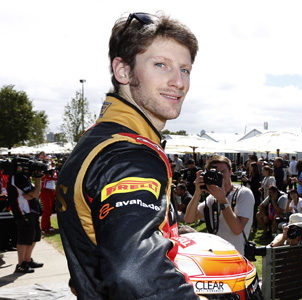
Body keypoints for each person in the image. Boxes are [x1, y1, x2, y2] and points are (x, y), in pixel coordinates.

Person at [56, 12, 199, 298]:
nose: (178, 82)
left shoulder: (98, 139)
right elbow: (133, 275)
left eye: (185, 69)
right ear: (123, 71)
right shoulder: (129, 155)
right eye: (161, 65)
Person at [185, 156, 254, 257]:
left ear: (231, 172)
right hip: (214, 256)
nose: (220, 175)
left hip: (235, 256)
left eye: (223, 172)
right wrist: (197, 192)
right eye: (215, 173)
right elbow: (189, 219)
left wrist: (222, 200)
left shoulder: (243, 193)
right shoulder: (211, 198)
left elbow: (237, 229)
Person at [7, 162, 44, 273]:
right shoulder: (17, 177)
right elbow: (36, 193)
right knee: (24, 238)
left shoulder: (23, 177)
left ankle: (27, 260)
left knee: (34, 236)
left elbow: (35, 193)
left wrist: (33, 193)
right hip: (23, 211)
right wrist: (37, 180)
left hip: (31, 210)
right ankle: (21, 264)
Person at [39, 161, 57, 234]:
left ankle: (48, 226)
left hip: (51, 191)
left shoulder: (53, 171)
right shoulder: (44, 173)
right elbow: (47, 178)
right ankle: (44, 227)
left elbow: (54, 177)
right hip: (45, 191)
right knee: (47, 210)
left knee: (49, 210)